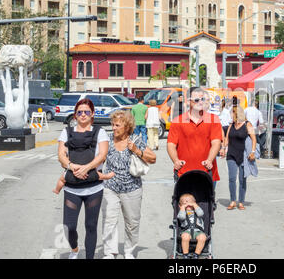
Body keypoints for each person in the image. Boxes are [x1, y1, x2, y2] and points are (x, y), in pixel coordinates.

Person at [57, 98, 109, 259]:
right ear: (75, 115)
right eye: (80, 112)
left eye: (87, 111)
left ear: (92, 114)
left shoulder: (100, 131)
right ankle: (74, 249)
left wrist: (87, 167)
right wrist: (72, 166)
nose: (83, 115)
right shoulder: (66, 132)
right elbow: (61, 155)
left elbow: (102, 155)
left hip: (94, 187)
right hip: (72, 187)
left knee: (91, 225)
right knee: (69, 226)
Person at [102, 109, 156, 259]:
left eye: (117, 125)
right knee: (109, 220)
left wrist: (136, 150)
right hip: (110, 187)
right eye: (112, 125)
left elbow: (153, 158)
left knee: (132, 222)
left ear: (127, 126)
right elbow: (99, 158)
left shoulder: (135, 140)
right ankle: (110, 252)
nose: (113, 128)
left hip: (132, 188)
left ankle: (128, 251)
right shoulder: (107, 139)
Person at [167, 87, 222, 186]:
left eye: (203, 99)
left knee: (205, 201)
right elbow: (171, 144)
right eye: (196, 100)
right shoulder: (178, 121)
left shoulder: (213, 119)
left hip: (207, 172)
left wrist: (209, 160)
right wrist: (175, 160)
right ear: (188, 102)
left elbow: (216, 143)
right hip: (184, 173)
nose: (200, 102)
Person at [221, 106, 257, 210]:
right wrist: (223, 148)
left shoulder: (247, 124)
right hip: (231, 155)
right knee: (232, 179)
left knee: (242, 179)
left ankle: (241, 202)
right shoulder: (231, 125)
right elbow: (226, 139)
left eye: (232, 113)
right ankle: (233, 201)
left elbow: (254, 139)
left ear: (237, 114)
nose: (231, 115)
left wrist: (253, 152)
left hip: (244, 156)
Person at [177, 193, 207, 259]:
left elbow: (201, 214)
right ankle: (185, 254)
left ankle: (196, 254)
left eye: (189, 202)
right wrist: (182, 208)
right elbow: (181, 217)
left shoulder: (197, 211)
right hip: (186, 231)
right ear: (180, 205)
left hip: (198, 231)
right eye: (184, 203)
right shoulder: (182, 213)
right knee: (185, 237)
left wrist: (194, 205)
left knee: (202, 237)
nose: (187, 204)